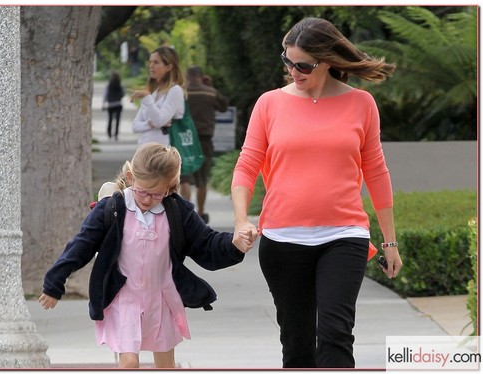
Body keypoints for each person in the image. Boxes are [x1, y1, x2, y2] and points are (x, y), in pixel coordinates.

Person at [231, 17, 403, 369]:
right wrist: (239, 220)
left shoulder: (362, 104)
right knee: (296, 344)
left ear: (325, 61)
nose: (294, 70)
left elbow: (376, 171)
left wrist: (390, 241)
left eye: (303, 65)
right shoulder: (269, 104)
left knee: (336, 334)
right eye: (287, 61)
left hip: (344, 235)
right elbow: (246, 167)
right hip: (282, 239)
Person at [38, 142, 255, 369]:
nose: (148, 199)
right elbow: (81, 245)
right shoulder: (112, 209)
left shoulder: (177, 211)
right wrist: (54, 282)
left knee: (165, 365)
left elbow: (207, 243)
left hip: (161, 297)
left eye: (157, 194)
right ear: (131, 177)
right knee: (129, 362)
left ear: (170, 187)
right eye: (143, 191)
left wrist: (235, 243)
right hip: (124, 297)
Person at [131, 46, 193, 199]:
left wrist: (146, 99)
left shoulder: (175, 91)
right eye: (150, 61)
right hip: (145, 152)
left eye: (156, 62)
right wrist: (150, 124)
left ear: (169, 66)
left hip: (162, 155)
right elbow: (135, 126)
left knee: (161, 197)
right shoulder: (154, 93)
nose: (151, 65)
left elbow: (160, 119)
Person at [182, 66, 229, 223]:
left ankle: (185, 211)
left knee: (185, 177)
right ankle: (201, 212)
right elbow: (224, 106)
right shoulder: (209, 92)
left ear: (187, 77)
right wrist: (210, 86)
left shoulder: (182, 92)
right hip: (204, 139)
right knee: (202, 180)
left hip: (185, 139)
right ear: (201, 77)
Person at [103, 71, 125, 141]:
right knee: (117, 121)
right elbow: (123, 93)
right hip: (118, 104)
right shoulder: (120, 84)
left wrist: (103, 104)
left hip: (111, 104)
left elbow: (105, 94)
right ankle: (116, 134)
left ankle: (109, 134)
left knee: (110, 120)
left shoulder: (109, 84)